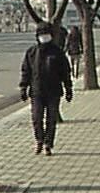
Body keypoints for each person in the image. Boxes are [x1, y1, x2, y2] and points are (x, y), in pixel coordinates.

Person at [20, 22, 74, 155]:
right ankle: (39, 140)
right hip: (37, 91)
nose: (44, 37)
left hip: (53, 91)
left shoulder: (57, 52)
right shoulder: (32, 52)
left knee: (51, 119)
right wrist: (23, 87)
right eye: (42, 34)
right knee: (36, 118)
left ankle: (48, 144)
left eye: (46, 34)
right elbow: (26, 71)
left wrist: (68, 88)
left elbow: (65, 72)